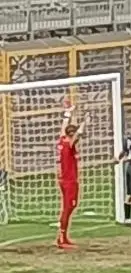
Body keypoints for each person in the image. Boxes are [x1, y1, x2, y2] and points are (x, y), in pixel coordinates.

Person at [55, 103, 86, 249]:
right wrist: (85, 121)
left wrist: (67, 114)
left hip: (65, 180)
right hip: (69, 181)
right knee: (69, 208)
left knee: (69, 207)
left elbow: (63, 129)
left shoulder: (62, 141)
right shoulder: (69, 145)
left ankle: (63, 236)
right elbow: (78, 135)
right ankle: (62, 237)